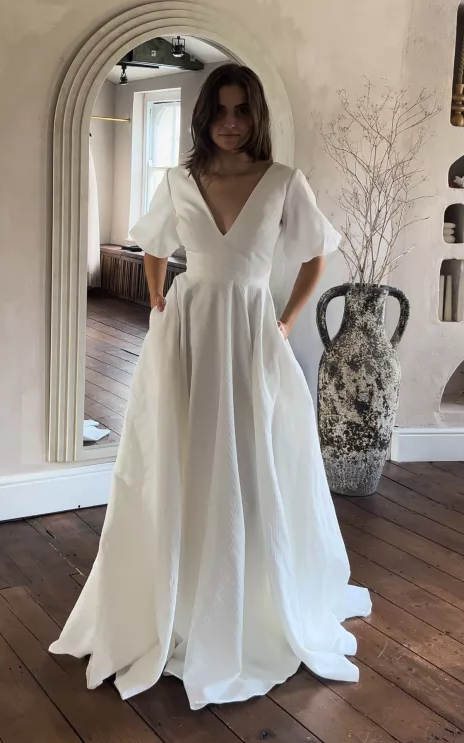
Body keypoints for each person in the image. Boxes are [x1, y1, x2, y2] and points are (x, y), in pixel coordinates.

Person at [50, 63, 371, 710]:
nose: (230, 122)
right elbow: (152, 244)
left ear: (256, 116)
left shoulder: (282, 182)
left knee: (254, 455)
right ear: (204, 117)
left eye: (241, 110)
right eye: (219, 110)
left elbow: (316, 255)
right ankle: (182, 586)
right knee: (183, 452)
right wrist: (157, 298)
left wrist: (286, 320)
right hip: (190, 331)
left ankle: (251, 591)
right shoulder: (179, 180)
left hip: (251, 333)